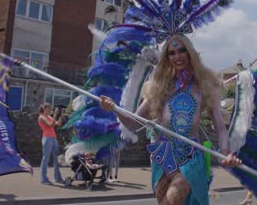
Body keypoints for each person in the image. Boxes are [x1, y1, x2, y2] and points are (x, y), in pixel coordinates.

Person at [100, 34, 242, 204]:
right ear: (167, 57)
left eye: (181, 50)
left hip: (190, 156)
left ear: (190, 53)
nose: (177, 56)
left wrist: (226, 153)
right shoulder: (159, 86)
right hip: (163, 156)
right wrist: (114, 109)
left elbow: (220, 127)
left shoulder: (205, 85)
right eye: (171, 53)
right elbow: (133, 122)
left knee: (172, 200)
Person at [38, 103, 64, 185]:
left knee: (56, 159)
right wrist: (55, 115)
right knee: (46, 159)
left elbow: (58, 124)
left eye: (50, 108)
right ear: (44, 109)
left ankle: (58, 178)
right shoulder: (41, 117)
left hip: (53, 138)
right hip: (47, 139)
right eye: (48, 108)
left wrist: (60, 115)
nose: (50, 110)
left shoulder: (49, 117)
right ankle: (43, 179)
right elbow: (51, 125)